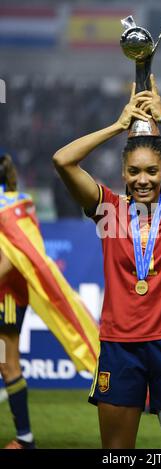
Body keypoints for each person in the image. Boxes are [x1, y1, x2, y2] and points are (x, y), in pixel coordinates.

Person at [53, 74, 161, 449]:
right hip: (120, 347)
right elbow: (63, 160)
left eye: (150, 171)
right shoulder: (108, 211)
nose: (142, 179)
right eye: (133, 171)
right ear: (122, 174)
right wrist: (118, 125)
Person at [0, 153, 99, 449]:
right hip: (10, 296)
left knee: (8, 365)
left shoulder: (9, 208)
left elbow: (10, 260)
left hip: (5, 298)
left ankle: (25, 438)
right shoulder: (20, 205)